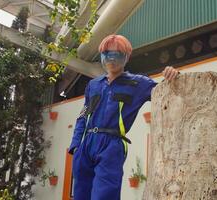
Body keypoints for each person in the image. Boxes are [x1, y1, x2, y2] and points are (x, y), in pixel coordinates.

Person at [68, 34, 179, 200]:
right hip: (86, 144)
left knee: (104, 195)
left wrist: (174, 75)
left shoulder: (138, 83)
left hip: (112, 145)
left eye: (117, 54)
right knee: (80, 195)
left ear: (126, 57)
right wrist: (76, 146)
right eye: (107, 54)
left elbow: (165, 93)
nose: (112, 59)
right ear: (101, 56)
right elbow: (83, 115)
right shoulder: (93, 85)